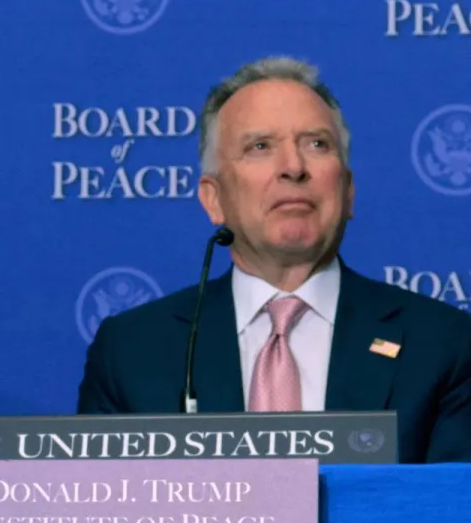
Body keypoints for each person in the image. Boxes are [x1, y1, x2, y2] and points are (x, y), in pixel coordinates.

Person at [78, 56, 471, 463]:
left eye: (317, 144)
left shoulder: (444, 346)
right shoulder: (132, 351)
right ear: (214, 198)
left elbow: (450, 517)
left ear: (348, 191)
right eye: (260, 146)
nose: (293, 167)